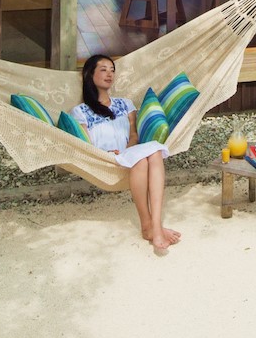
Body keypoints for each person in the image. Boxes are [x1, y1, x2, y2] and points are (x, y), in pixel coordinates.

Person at [71, 54, 180, 255]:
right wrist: (104, 153)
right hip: (104, 159)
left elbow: (134, 134)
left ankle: (153, 226)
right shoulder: (81, 111)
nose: (109, 74)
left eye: (112, 70)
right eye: (103, 69)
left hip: (128, 152)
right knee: (143, 158)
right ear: (89, 74)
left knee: (154, 151)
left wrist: (128, 148)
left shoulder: (125, 104)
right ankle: (151, 227)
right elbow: (85, 144)